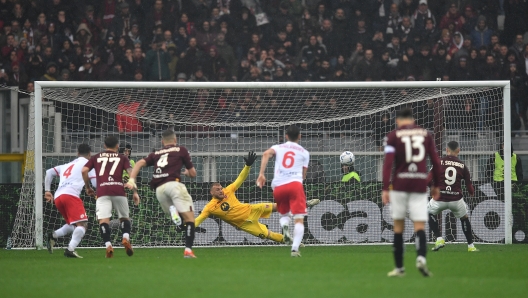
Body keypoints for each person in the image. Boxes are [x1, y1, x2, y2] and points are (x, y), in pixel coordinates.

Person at [196, 151, 320, 243]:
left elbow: (240, 179)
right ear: (212, 193)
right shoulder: (210, 207)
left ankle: (305, 204)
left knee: (277, 206)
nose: (221, 190)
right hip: (245, 224)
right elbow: (199, 220)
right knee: (269, 235)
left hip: (251, 209)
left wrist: (247, 166)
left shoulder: (228, 191)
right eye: (217, 190)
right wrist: (186, 226)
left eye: (221, 188)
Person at [382, 107, 442, 277]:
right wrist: (436, 185)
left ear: (398, 120)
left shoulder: (393, 136)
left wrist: (385, 188)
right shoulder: (425, 135)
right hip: (419, 184)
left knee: (398, 227)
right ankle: (421, 257)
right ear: (413, 120)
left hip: (400, 185)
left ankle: (399, 268)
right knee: (419, 226)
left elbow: (387, 165)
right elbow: (436, 162)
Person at [125, 130, 198, 258]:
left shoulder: (156, 153)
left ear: (162, 142)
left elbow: (139, 163)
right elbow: (193, 174)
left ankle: (176, 216)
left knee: (176, 216)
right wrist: (187, 173)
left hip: (159, 190)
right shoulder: (181, 150)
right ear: (175, 140)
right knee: (190, 219)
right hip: (174, 185)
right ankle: (188, 250)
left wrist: (131, 179)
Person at [82, 135, 139, 258]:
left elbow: (84, 170)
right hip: (118, 190)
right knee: (124, 218)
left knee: (103, 221)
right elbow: (130, 173)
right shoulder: (122, 157)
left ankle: (108, 245)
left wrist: (88, 187)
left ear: (104, 146)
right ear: (117, 146)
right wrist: (134, 191)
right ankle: (125, 238)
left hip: (102, 191)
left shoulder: (96, 157)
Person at [257, 125, 310, 257]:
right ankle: (294, 249)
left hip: (278, 186)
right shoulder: (304, 152)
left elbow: (265, 154)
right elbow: (303, 175)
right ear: (299, 136)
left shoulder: (278, 147)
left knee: (284, 215)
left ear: (286, 136)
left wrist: (261, 174)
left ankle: (285, 227)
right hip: (295, 185)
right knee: (299, 219)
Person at [44, 144, 96, 258]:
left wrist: (47, 191)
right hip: (71, 195)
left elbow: (49, 172)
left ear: (77, 153)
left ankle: (54, 235)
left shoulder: (67, 165)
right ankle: (70, 249)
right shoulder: (89, 164)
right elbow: (95, 183)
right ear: (89, 154)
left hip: (58, 197)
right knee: (83, 225)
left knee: (73, 225)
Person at [427, 141, 478, 252]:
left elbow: (427, 180)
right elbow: (470, 187)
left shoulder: (439, 162)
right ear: (458, 151)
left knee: (428, 213)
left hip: (439, 198)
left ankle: (439, 238)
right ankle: (471, 246)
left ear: (447, 150)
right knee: (464, 218)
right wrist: (472, 193)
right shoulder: (463, 166)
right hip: (456, 199)